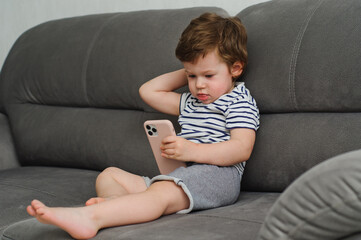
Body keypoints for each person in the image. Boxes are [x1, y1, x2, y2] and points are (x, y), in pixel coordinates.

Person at [26, 12, 260, 239]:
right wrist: (195, 66)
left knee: (162, 193)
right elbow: (148, 91)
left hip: (219, 178)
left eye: (208, 76)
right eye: (191, 77)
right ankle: (115, 207)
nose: (199, 85)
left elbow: (242, 148)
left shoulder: (238, 101)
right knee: (109, 176)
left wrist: (192, 150)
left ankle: (91, 218)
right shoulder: (190, 102)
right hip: (182, 175)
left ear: (235, 68)